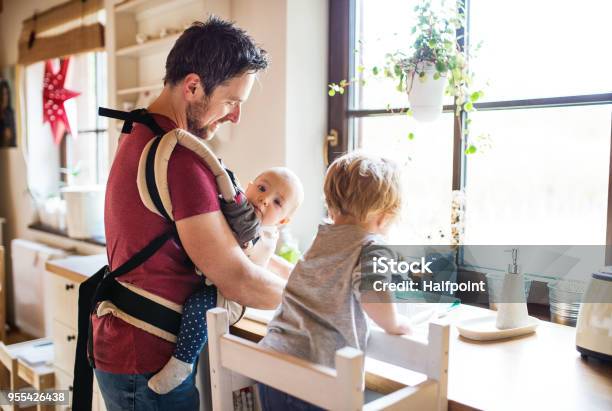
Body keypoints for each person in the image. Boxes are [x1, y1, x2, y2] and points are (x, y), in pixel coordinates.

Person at [95, 17, 286, 411]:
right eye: (232, 101)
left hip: (128, 349)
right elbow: (236, 278)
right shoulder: (180, 160)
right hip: (147, 361)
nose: (235, 116)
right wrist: (317, 300)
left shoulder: (139, 128)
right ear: (193, 86)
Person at [257, 152, 413, 411]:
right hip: (315, 375)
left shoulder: (323, 238)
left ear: (330, 206)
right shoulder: (372, 246)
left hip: (271, 362)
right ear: (384, 217)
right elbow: (374, 295)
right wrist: (395, 323)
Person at [147, 167, 304, 394]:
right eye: (262, 188)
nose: (265, 199)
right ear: (248, 186)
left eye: (277, 202)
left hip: (231, 299)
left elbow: (257, 258)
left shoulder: (262, 233)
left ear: (283, 220)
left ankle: (182, 362)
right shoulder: (242, 217)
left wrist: (292, 277)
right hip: (217, 282)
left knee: (198, 306)